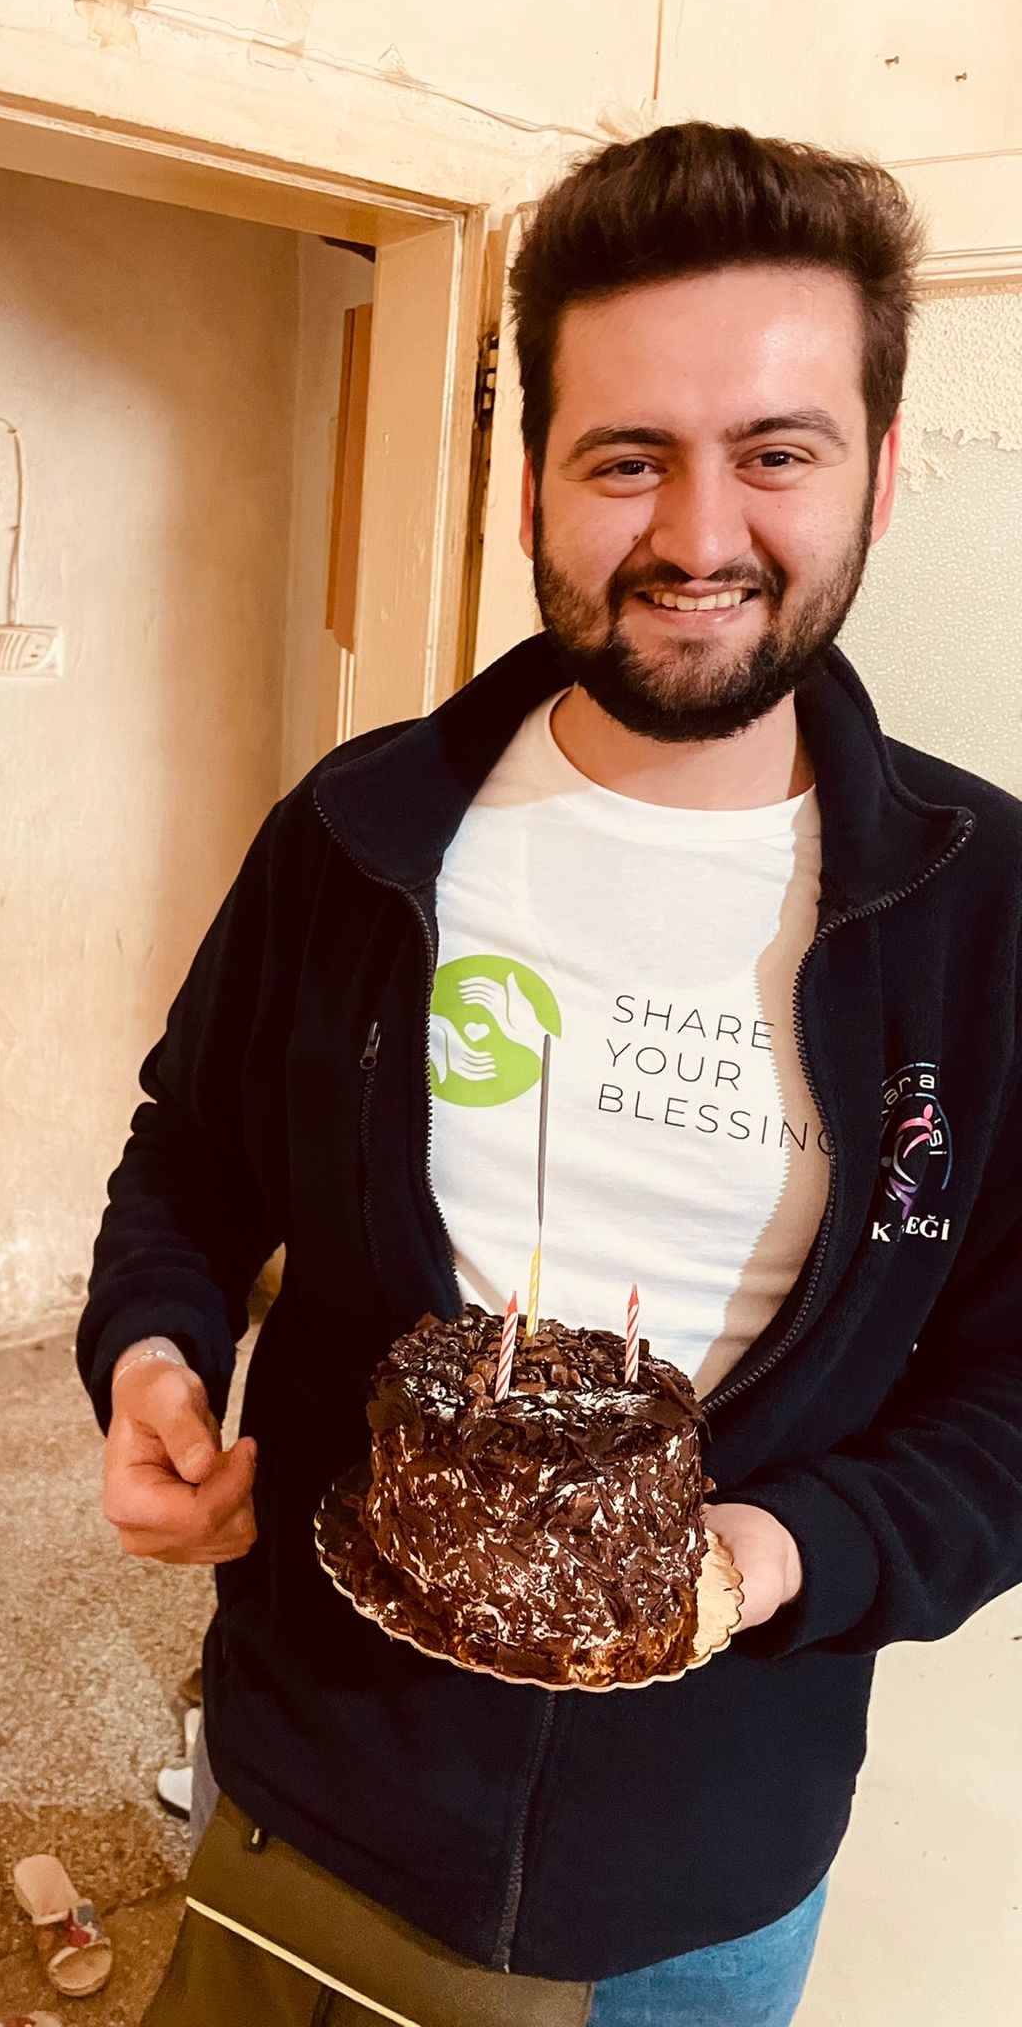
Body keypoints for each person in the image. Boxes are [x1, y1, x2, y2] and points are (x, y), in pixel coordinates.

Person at [77, 122, 1022, 2025]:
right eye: (626, 457)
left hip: (712, 1858)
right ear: (530, 484)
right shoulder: (352, 836)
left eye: (777, 452)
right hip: (319, 1780)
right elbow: (192, 1154)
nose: (699, 535)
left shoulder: (987, 911)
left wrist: (784, 1553)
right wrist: (152, 1359)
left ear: (880, 467)